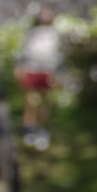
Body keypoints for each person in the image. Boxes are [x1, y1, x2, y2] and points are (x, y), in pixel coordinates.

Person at [14, 8, 61, 151]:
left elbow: (59, 54)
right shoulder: (31, 33)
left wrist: (58, 73)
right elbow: (23, 50)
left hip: (47, 70)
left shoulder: (55, 34)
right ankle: (29, 129)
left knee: (44, 101)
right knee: (30, 100)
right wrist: (19, 66)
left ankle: (42, 130)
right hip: (31, 68)